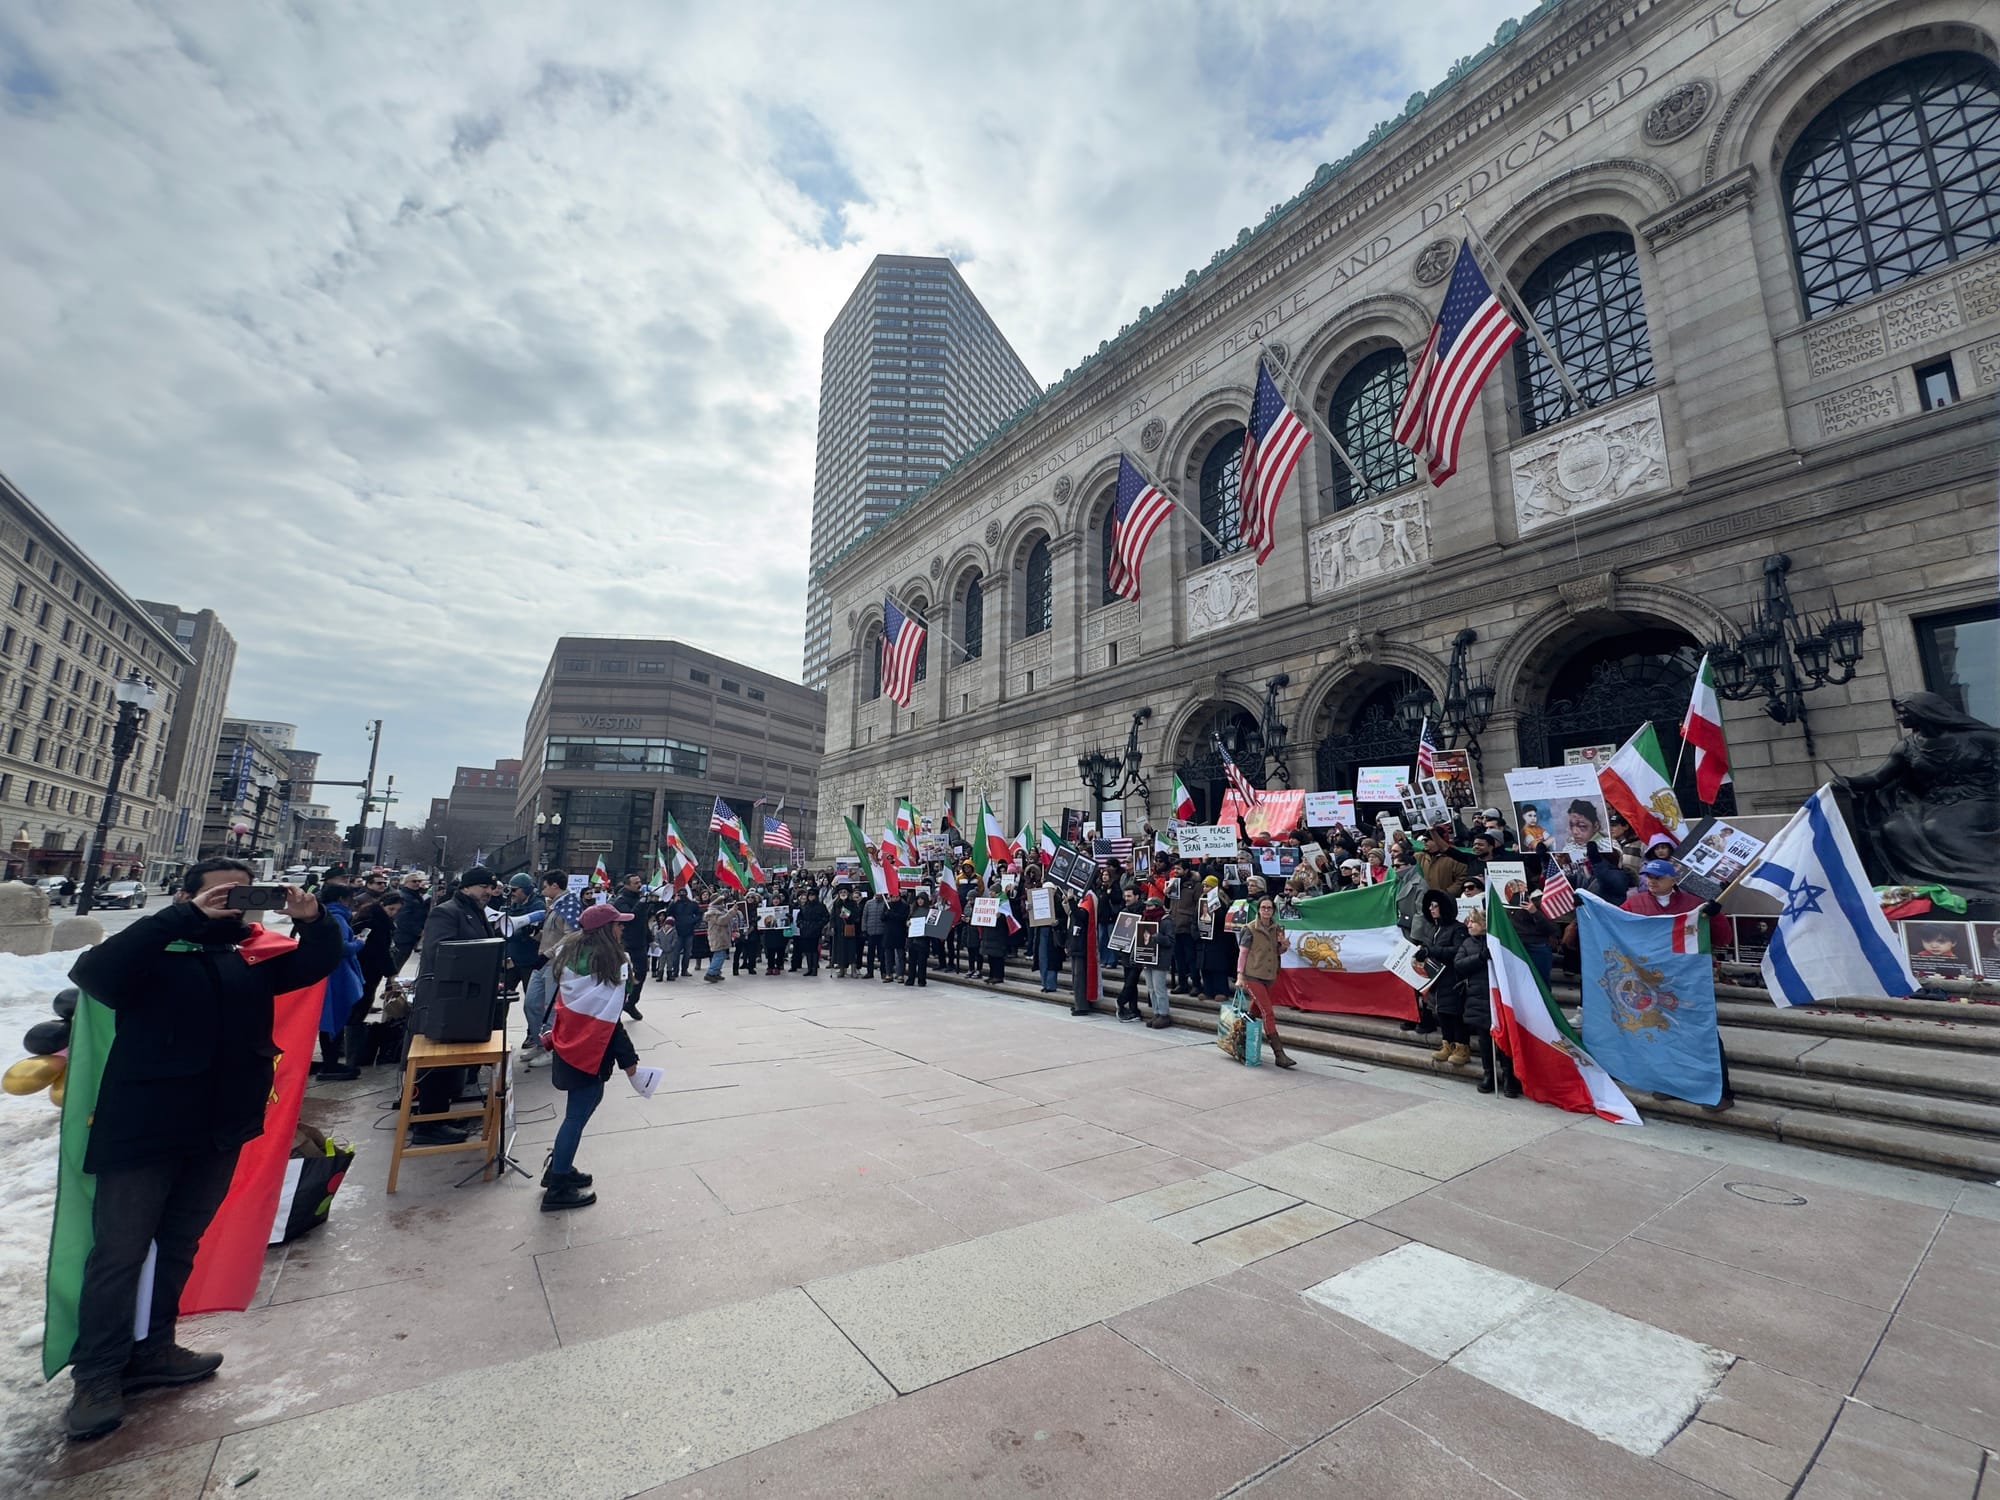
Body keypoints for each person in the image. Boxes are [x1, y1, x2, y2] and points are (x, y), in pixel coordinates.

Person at [62, 860, 342, 1441]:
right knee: (120, 1251)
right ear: (188, 896)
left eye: (243, 891)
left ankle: (155, 1347)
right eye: (221, 890)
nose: (233, 900)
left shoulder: (246, 955)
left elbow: (317, 962)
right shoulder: (150, 950)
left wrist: (312, 920)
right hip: (144, 1126)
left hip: (220, 1124)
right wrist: (182, 918)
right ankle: (98, 1373)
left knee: (180, 1241)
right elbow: (95, 974)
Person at [540, 903, 641, 1212]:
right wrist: (630, 1061)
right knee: (576, 1117)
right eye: (618, 924)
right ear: (606, 931)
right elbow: (610, 1020)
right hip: (590, 1050)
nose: (622, 928)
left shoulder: (571, 957)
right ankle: (557, 1187)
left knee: (576, 1113)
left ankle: (559, 1166)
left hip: (568, 1041)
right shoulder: (609, 965)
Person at [411, 867, 501, 1144]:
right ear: (465, 888)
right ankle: (429, 1124)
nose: (488, 892)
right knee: (439, 1062)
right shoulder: (447, 911)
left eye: (490, 887)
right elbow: (442, 949)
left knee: (452, 1063)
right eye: (482, 887)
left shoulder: (474, 911)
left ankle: (440, 1115)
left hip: (468, 998)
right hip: (447, 998)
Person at [1454, 909, 1517, 1096]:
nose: (1469, 925)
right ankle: (1488, 1074)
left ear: (1483, 924)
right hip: (1477, 999)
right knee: (1484, 1042)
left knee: (1502, 1041)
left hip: (1497, 1000)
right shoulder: (1467, 943)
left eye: (1473, 922)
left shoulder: (1497, 942)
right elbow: (1459, 965)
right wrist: (1480, 958)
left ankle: (1509, 1076)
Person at [523, 871, 579, 1070]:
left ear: (555, 886)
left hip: (555, 963)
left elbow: (571, 935)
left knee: (549, 1009)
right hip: (543, 961)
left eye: (545, 886)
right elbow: (553, 933)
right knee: (531, 1004)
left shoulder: (570, 904)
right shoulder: (556, 905)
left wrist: (548, 953)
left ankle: (552, 1048)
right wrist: (535, 935)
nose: (543, 890)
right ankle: (540, 1043)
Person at [1235, 895, 1298, 1068]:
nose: (1266, 911)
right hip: (1252, 975)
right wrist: (1240, 975)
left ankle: (1239, 1042)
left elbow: (1278, 952)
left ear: (1273, 911)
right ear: (1258, 909)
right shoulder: (1249, 928)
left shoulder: (1277, 929)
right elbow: (1243, 953)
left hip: (1269, 976)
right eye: (1263, 908)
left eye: (1269, 908)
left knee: (1254, 1012)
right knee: (1267, 1011)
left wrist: (1284, 946)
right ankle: (1279, 1054)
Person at [313, 882, 366, 1082]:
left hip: (327, 973)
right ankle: (330, 1064)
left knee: (330, 1018)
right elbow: (342, 948)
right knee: (334, 1017)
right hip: (336, 975)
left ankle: (330, 1062)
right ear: (342, 899)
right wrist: (359, 943)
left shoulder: (323, 915)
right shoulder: (338, 918)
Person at [1417, 890, 1470, 1065]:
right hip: (1436, 978)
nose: (1431, 909)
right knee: (1442, 1012)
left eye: (1435, 905)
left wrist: (1431, 951)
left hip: (1452, 977)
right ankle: (1447, 1044)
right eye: (1429, 906)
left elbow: (1458, 951)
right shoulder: (1434, 928)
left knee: (1454, 1013)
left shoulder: (1458, 928)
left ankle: (1462, 1048)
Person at [612, 874, 655, 1018]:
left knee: (641, 974)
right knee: (622, 976)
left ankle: (631, 1003)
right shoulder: (620, 901)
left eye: (640, 882)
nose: (639, 885)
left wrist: (650, 938)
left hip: (640, 943)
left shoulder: (639, 898)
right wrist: (642, 903)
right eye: (636, 883)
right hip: (626, 944)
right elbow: (630, 918)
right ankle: (617, 1006)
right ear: (626, 885)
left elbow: (643, 921)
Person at [1140, 893, 1173, 1029]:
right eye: (1147, 906)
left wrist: (1158, 937)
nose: (1148, 908)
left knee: (1159, 988)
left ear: (1157, 906)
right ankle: (1156, 1012)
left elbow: (1171, 941)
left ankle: (1164, 1014)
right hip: (1148, 957)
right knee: (1151, 989)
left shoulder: (1166, 921)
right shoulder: (1145, 919)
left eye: (1150, 905)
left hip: (1160, 959)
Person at [388, 872, 429, 975]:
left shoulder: (414, 896)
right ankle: (390, 987)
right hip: (403, 937)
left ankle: (391, 986)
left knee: (397, 964)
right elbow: (402, 919)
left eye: (419, 881)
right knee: (395, 965)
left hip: (408, 936)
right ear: (405, 883)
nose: (417, 883)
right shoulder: (405, 897)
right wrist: (419, 931)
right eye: (414, 881)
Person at [795, 885, 828, 976]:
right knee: (807, 950)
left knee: (814, 950)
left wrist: (819, 925)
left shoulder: (821, 906)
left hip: (815, 931)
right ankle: (809, 968)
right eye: (810, 895)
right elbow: (799, 917)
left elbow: (826, 917)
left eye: (813, 895)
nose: (811, 897)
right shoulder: (804, 906)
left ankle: (814, 969)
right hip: (805, 930)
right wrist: (800, 924)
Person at [669, 888, 702, 976]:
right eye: (680, 893)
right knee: (676, 953)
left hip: (689, 931)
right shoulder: (675, 904)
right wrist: (673, 903)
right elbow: (668, 913)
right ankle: (675, 971)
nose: (682, 895)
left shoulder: (692, 904)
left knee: (687, 953)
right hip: (678, 931)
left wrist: (693, 921)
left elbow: (699, 914)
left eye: (684, 893)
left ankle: (684, 970)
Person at [830, 885, 862, 976]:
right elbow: (832, 916)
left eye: (844, 892)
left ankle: (853, 971)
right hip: (839, 930)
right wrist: (832, 926)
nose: (843, 894)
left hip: (849, 929)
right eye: (841, 892)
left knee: (851, 951)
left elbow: (856, 916)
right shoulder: (836, 904)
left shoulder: (852, 903)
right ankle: (842, 970)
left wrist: (848, 915)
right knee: (840, 951)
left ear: (848, 893)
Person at [903, 892, 933, 987]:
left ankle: (921, 980)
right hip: (912, 939)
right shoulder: (913, 910)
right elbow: (908, 920)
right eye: (918, 899)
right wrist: (907, 923)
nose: (920, 901)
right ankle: (910, 979)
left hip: (923, 940)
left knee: (922, 962)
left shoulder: (929, 911)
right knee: (912, 961)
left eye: (922, 899)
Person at [702, 895, 734, 982]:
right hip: (717, 937)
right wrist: (731, 912)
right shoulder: (713, 912)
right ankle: (710, 973)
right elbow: (722, 921)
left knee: (722, 955)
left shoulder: (721, 911)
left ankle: (716, 972)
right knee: (719, 956)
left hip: (722, 936)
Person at [882, 888, 909, 983]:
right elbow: (882, 918)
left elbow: (903, 918)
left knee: (900, 955)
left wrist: (892, 914)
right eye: (893, 897)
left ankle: (900, 974)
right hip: (888, 933)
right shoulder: (887, 905)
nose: (895, 898)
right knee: (888, 955)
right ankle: (889, 973)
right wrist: (886, 913)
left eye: (897, 897)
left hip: (899, 933)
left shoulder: (904, 906)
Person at [861, 889, 888, 978]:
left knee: (882, 954)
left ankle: (883, 972)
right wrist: (864, 929)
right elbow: (864, 917)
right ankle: (870, 972)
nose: (878, 894)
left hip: (882, 932)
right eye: (876, 893)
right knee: (870, 954)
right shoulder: (869, 903)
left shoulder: (886, 904)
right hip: (871, 932)